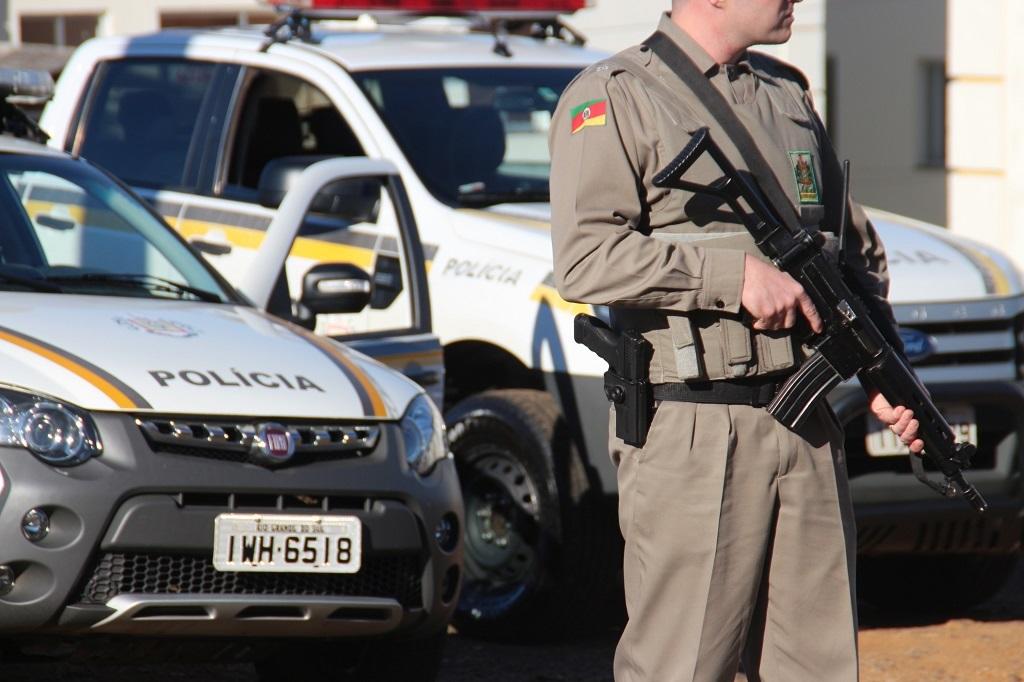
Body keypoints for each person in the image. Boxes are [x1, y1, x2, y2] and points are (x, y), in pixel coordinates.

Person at [548, 1, 923, 680]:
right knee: (685, 663)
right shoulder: (616, 96)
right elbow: (586, 259)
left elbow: (850, 254)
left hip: (807, 423)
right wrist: (732, 278)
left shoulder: (787, 96)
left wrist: (884, 375)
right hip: (694, 425)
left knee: (817, 665)